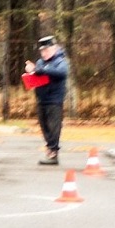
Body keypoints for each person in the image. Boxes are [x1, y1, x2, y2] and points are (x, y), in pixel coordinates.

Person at [25, 35, 69, 165]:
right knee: (44, 127)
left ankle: (53, 153)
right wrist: (30, 74)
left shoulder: (60, 61)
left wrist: (39, 70)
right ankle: (50, 149)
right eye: (42, 51)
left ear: (54, 48)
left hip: (54, 100)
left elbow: (61, 73)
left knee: (54, 127)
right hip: (42, 99)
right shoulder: (40, 62)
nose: (44, 53)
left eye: (46, 50)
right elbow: (37, 74)